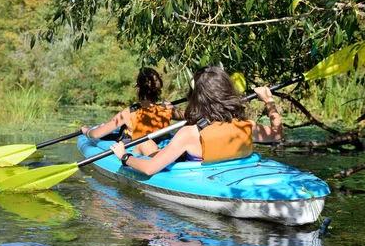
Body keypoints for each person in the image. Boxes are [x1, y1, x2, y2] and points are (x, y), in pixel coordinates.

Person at [109, 66, 283, 175]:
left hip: (197, 177)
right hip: (233, 173)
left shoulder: (189, 133)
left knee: (144, 146)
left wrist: (124, 156)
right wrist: (269, 101)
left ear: (196, 98)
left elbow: (149, 169)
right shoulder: (247, 126)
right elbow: (277, 134)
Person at [81, 67, 183, 156]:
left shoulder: (128, 113)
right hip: (160, 149)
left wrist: (86, 131)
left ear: (138, 88)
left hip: (142, 152)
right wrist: (173, 108)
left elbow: (96, 134)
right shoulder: (168, 109)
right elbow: (188, 115)